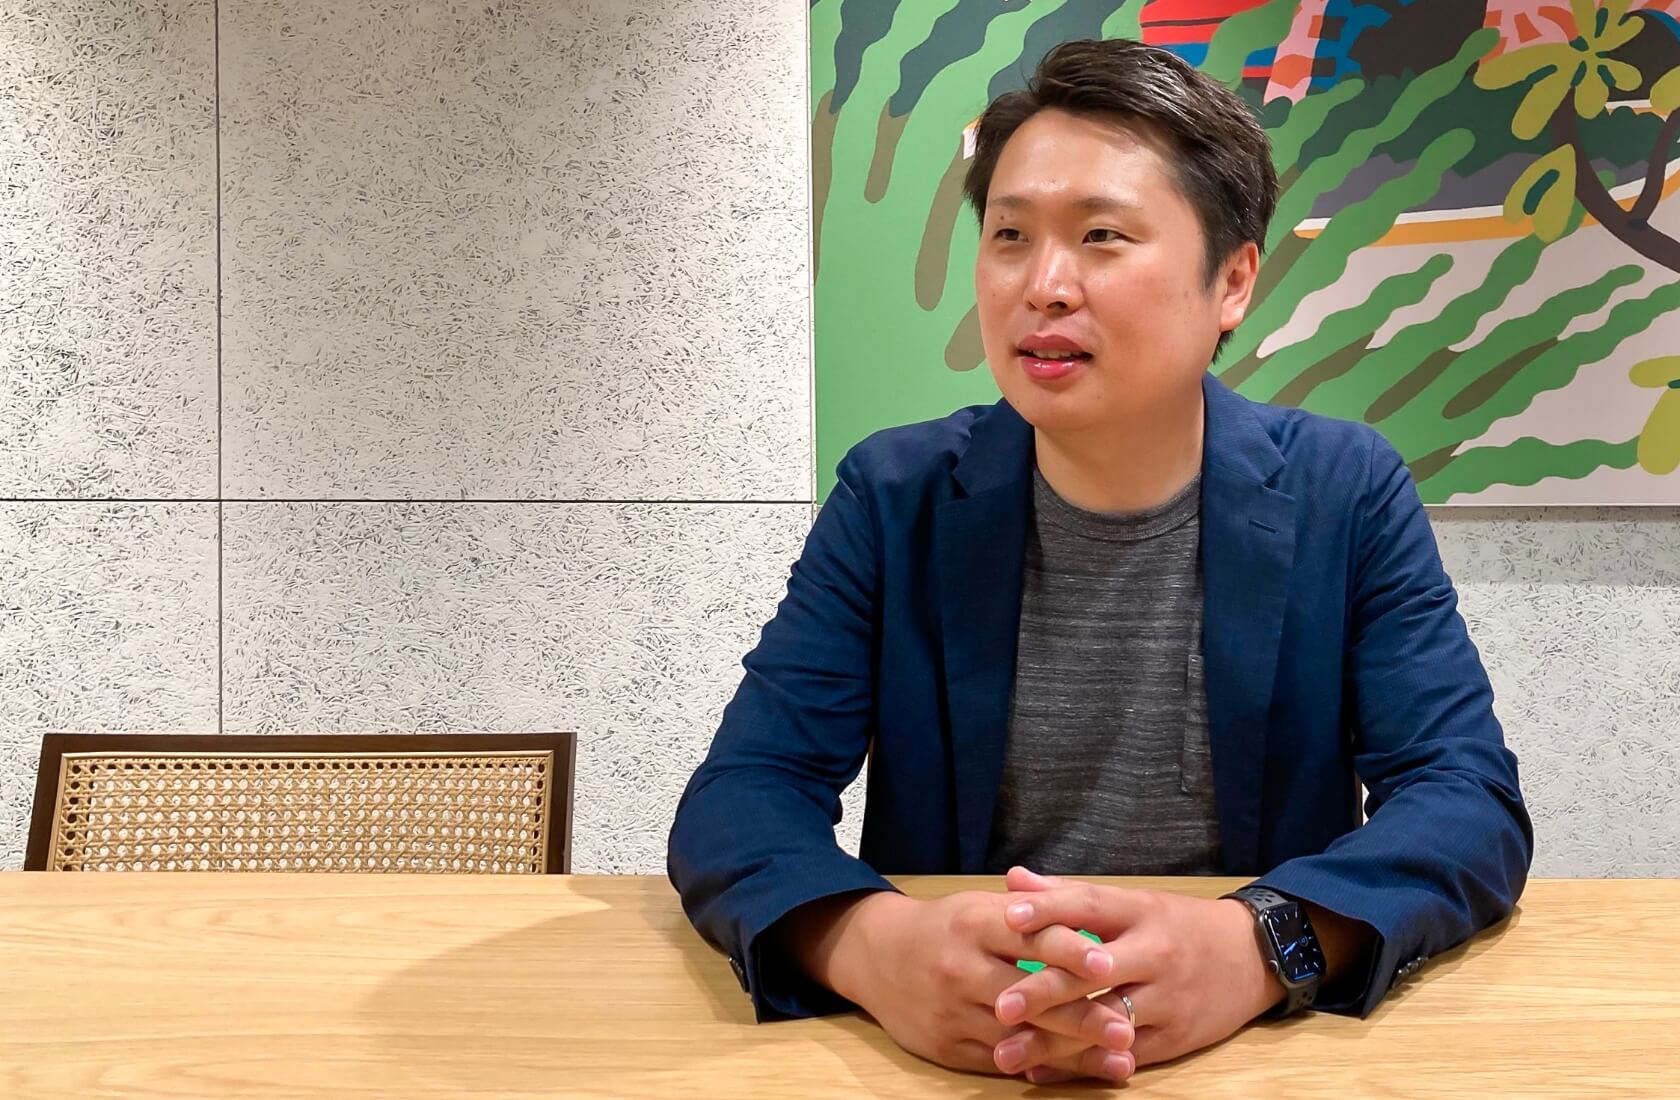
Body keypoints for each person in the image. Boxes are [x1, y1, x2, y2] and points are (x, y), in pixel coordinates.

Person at [668, 37, 1532, 1086]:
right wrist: (870, 945)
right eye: (1010, 235)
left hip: (1249, 1052)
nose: (1044, 284)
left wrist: (1262, 942)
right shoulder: (895, 496)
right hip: (958, 1051)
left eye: (1102, 236)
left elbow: (1464, 798)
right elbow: (745, 791)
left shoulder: (1343, 491)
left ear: (1232, 281)